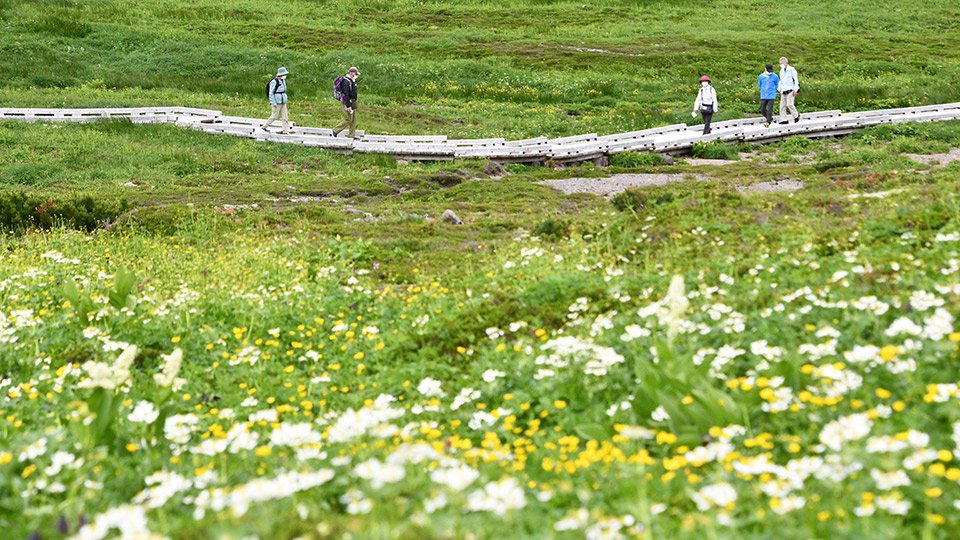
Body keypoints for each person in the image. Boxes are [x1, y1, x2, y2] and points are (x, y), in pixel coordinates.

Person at [332, 67, 360, 139]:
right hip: (347, 102)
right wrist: (348, 106)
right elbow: (346, 94)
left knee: (354, 120)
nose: (356, 75)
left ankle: (351, 135)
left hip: (352, 101)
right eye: (355, 73)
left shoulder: (351, 81)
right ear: (351, 73)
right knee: (348, 119)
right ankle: (335, 130)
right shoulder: (346, 81)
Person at [263, 67, 289, 134]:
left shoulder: (283, 81)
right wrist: (273, 102)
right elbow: (271, 93)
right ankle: (264, 127)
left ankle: (285, 130)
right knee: (274, 116)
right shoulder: (274, 81)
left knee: (285, 117)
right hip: (276, 102)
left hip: (283, 101)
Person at [777, 57, 800, 124]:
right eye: (780, 63)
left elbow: (796, 80)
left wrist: (796, 89)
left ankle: (796, 116)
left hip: (790, 90)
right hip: (783, 90)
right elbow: (781, 81)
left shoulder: (791, 70)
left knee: (789, 104)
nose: (781, 65)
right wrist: (779, 89)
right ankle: (784, 119)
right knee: (782, 106)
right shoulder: (781, 71)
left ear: (785, 62)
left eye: (781, 63)